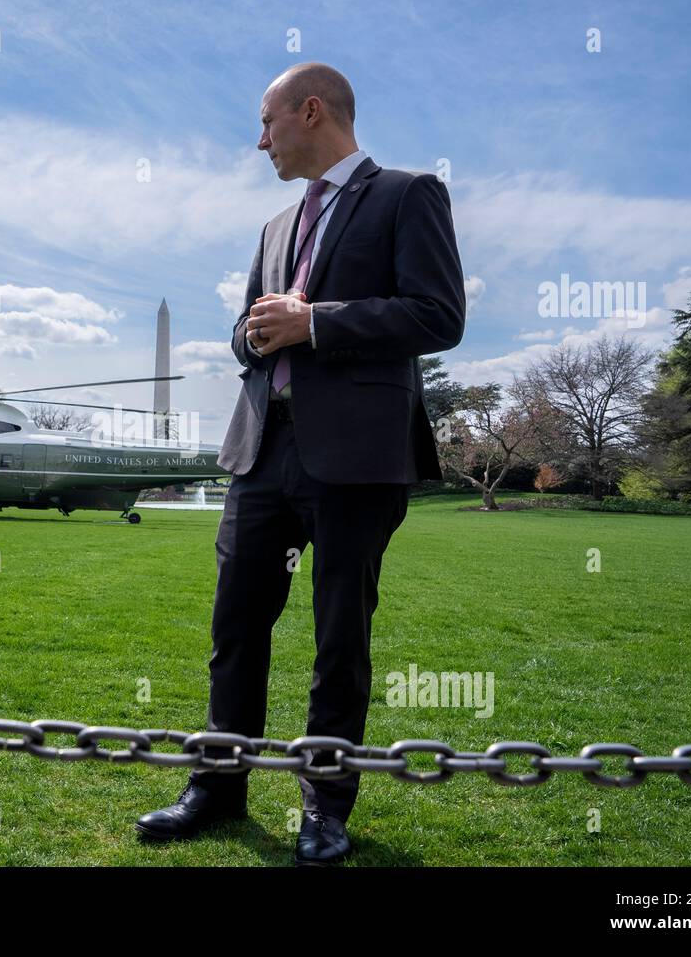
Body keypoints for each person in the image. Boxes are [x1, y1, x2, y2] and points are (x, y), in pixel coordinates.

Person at [135, 62, 466, 865]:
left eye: (267, 123)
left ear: (310, 111)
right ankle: (215, 788)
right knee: (236, 628)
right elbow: (249, 328)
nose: (260, 142)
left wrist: (315, 321)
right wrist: (254, 334)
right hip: (261, 449)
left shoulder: (407, 193)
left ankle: (325, 806)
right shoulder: (276, 224)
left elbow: (438, 314)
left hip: (356, 459)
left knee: (338, 639)